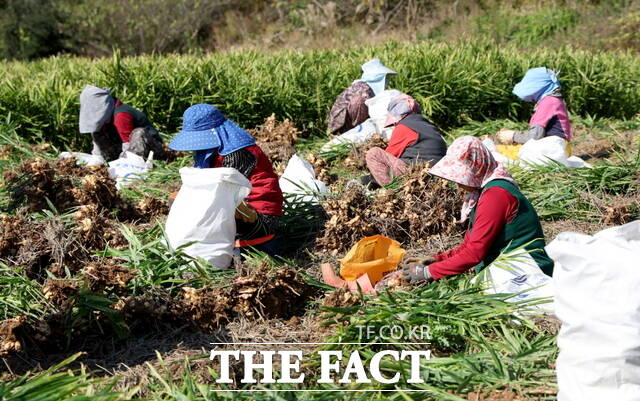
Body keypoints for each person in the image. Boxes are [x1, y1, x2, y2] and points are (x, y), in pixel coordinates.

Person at [402, 136, 554, 283]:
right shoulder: (484, 191)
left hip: (526, 273)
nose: (458, 184)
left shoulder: (495, 195)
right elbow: (470, 246)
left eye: (462, 176)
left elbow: (474, 253)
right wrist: (437, 259)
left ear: (478, 168)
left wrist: (428, 272)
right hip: (509, 267)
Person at [168, 104, 284, 256]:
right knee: (176, 199)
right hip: (239, 207)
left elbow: (220, 194)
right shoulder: (213, 150)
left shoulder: (238, 153)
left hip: (260, 214)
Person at [363, 94, 447, 187]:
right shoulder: (427, 124)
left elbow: (389, 156)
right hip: (439, 172)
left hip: (418, 172)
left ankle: (391, 189)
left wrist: (370, 178)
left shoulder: (403, 127)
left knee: (374, 153)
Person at [79, 85, 165, 161]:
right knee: (97, 132)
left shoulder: (121, 115)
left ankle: (132, 165)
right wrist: (96, 161)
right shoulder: (105, 119)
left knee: (139, 133)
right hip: (125, 149)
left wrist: (123, 163)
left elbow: (128, 145)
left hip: (151, 150)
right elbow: (97, 146)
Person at [498, 67, 572, 145]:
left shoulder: (548, 102)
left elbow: (536, 135)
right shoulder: (552, 100)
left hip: (554, 148)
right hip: (557, 147)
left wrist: (513, 135)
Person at [328, 58, 397, 135]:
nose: (387, 81)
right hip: (342, 127)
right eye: (385, 78)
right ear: (377, 77)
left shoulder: (362, 86)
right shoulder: (364, 92)